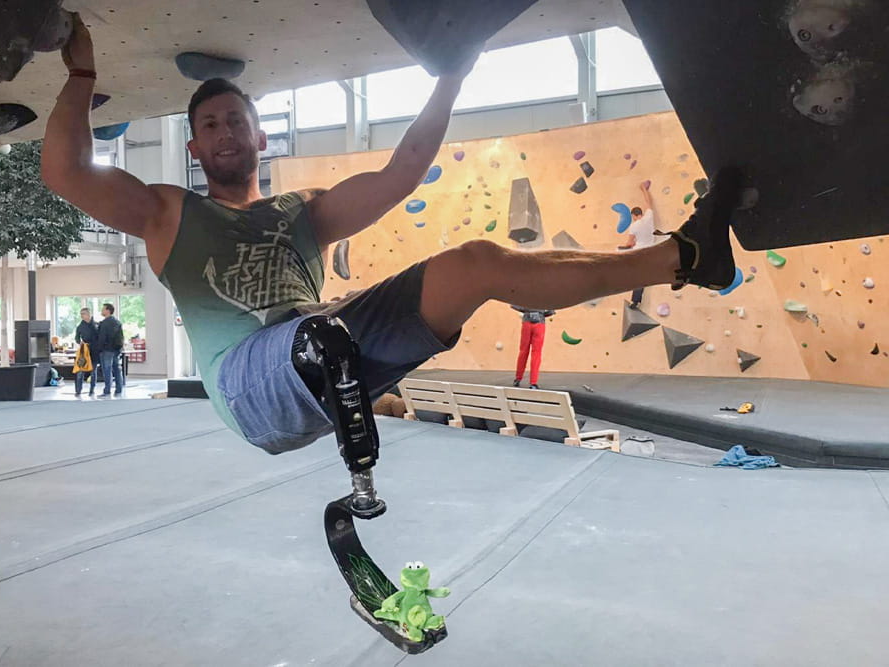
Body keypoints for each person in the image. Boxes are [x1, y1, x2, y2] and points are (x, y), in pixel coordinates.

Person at [42, 16, 743, 454]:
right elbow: (66, 169)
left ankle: (685, 255)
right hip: (249, 382)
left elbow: (404, 170)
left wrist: (452, 75)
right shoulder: (169, 214)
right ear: (194, 150)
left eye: (235, 120)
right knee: (322, 332)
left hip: (324, 346)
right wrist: (81, 75)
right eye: (210, 126)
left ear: (259, 134)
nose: (224, 132)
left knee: (476, 263)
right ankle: (356, 431)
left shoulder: (302, 213)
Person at [618, 182, 660, 309]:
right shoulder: (649, 217)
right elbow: (648, 202)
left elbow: (629, 243)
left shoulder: (634, 226)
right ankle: (636, 300)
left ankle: (634, 299)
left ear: (634, 216)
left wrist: (625, 247)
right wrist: (643, 189)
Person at [510, 306, 555, 390]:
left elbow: (516, 305)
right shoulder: (547, 295)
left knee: (523, 351)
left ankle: (517, 379)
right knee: (536, 353)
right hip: (540, 322)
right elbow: (551, 311)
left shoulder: (527, 293)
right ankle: (533, 383)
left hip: (526, 321)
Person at [95, 302, 124, 396]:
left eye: (103, 309)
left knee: (107, 370)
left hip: (106, 350)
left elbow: (102, 338)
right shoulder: (117, 322)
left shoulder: (105, 323)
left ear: (108, 311)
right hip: (116, 349)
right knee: (117, 369)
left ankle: (107, 390)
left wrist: (99, 349)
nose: (101, 311)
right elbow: (121, 336)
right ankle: (119, 389)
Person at [74, 306, 99, 396]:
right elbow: (77, 338)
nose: (82, 316)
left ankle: (92, 389)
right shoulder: (80, 327)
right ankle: (78, 390)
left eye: (83, 314)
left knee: (93, 371)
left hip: (94, 350)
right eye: (81, 314)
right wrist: (80, 342)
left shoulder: (96, 325)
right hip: (84, 350)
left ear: (88, 314)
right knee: (80, 370)